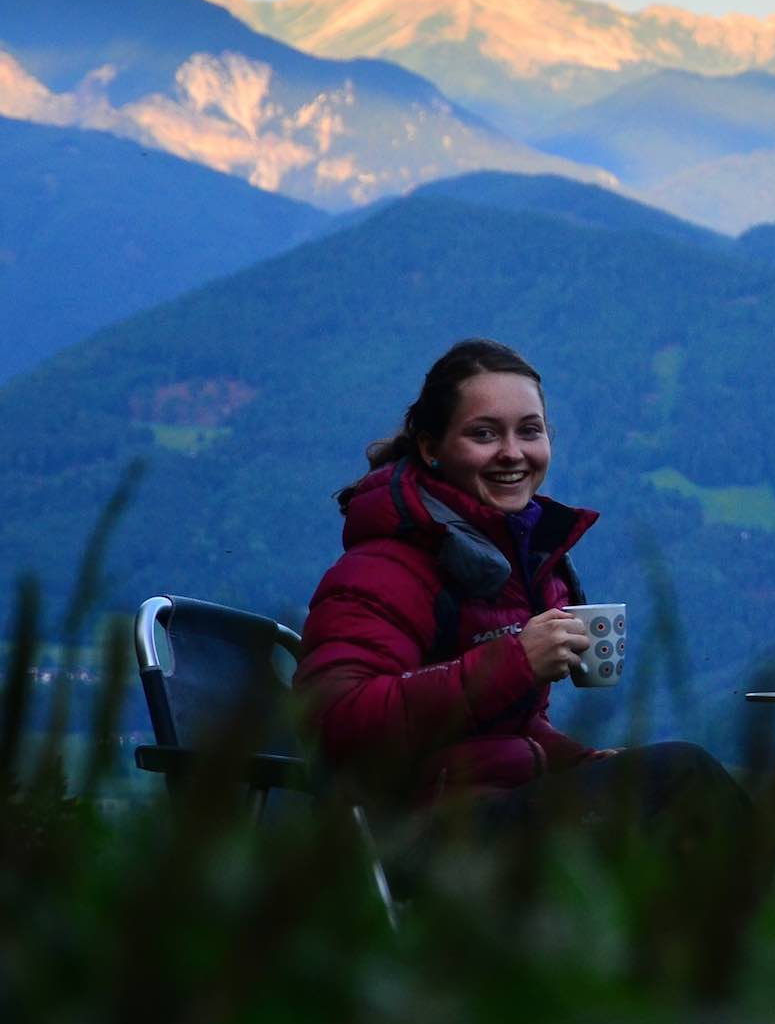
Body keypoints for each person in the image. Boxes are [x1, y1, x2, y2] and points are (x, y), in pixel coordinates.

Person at [297, 338, 747, 864]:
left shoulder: (507, 562)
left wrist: (581, 759)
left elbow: (494, 730)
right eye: (484, 434)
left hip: (495, 813)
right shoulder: (384, 570)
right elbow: (335, 722)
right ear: (430, 448)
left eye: (528, 431)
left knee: (668, 807)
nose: (512, 452)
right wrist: (513, 660)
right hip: (422, 839)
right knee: (682, 776)